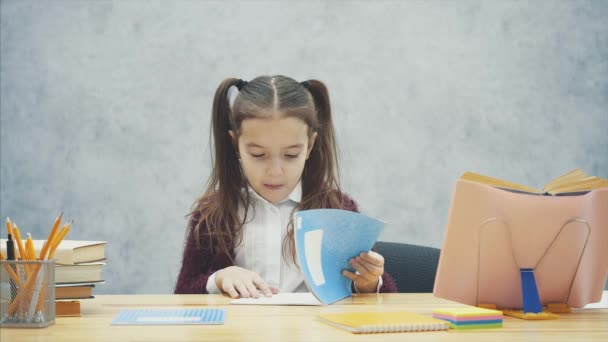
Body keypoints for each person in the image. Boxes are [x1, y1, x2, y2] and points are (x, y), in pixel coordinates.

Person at [175, 75, 397, 298]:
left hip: (317, 332)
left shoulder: (337, 209)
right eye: (258, 155)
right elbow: (183, 293)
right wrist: (220, 278)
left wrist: (369, 282)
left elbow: (383, 293)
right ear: (235, 145)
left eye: (291, 155)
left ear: (309, 146)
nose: (275, 171)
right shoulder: (212, 214)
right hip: (239, 332)